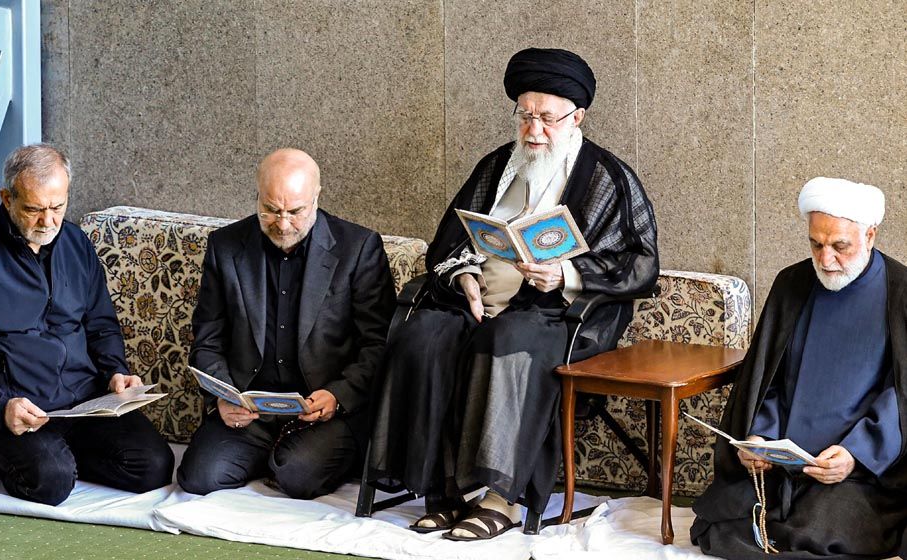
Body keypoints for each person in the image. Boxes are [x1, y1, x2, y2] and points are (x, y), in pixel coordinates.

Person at [367, 48, 659, 540]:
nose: (534, 130)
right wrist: (463, 275)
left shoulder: (607, 177)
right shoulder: (497, 165)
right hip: (478, 303)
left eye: (547, 118)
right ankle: (445, 492)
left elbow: (641, 264)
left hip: (559, 315)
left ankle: (500, 498)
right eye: (525, 116)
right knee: (425, 335)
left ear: (576, 117)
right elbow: (449, 240)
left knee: (508, 341)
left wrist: (565, 274)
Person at [0, 143, 174, 506]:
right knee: (51, 483)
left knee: (154, 467)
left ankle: (62, 457)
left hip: (83, 402)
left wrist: (115, 371)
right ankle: (49, 461)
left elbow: (100, 323)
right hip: (12, 410)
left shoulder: (76, 243)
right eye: (34, 209)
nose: (48, 222)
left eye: (58, 207)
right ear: (7, 199)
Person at [691, 177, 907, 559]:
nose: (825, 259)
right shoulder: (792, 283)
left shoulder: (901, 292)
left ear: (870, 235)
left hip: (858, 473)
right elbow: (767, 380)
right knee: (719, 522)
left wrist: (856, 454)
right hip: (781, 467)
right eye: (816, 244)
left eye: (840, 246)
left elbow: (901, 397)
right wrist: (759, 438)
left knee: (825, 533)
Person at [177, 148, 396, 499]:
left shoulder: (358, 248)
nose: (282, 224)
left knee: (298, 476)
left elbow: (379, 343)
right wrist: (221, 397)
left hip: (322, 412)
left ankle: (284, 461)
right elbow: (207, 339)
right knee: (199, 477)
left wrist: (339, 395)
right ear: (257, 197)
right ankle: (270, 457)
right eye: (270, 210)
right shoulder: (225, 246)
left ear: (316, 198)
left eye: (295, 212)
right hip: (250, 414)